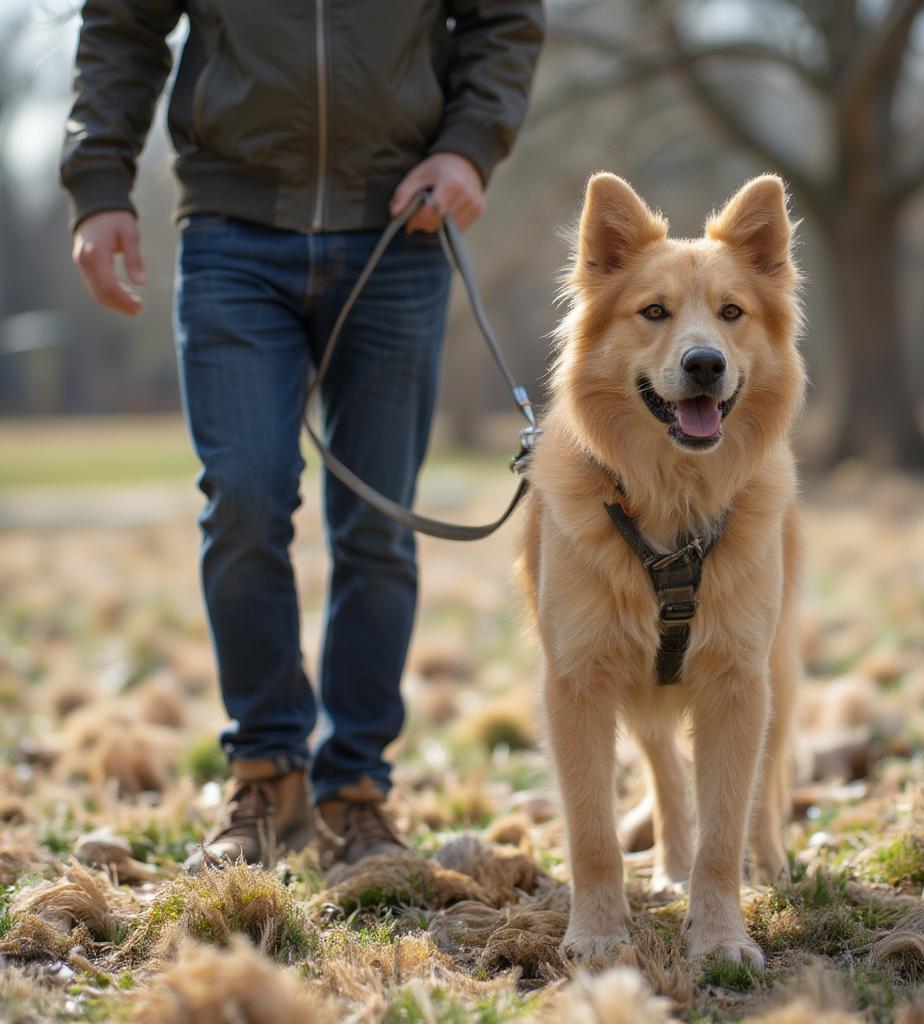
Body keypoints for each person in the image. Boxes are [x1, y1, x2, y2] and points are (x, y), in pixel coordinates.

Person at [61, 1, 543, 872]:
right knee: (242, 498)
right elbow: (121, 25)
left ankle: (355, 790)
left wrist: (470, 142)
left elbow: (505, 16)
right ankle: (266, 774)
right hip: (231, 235)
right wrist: (99, 183)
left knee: (378, 525)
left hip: (401, 227)